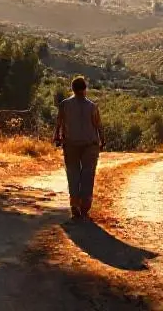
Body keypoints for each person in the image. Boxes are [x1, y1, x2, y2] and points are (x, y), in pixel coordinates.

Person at [53, 75, 104, 219]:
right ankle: (85, 204)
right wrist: (102, 140)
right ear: (85, 89)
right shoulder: (92, 106)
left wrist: (57, 136)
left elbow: (59, 123)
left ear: (72, 89)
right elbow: (98, 125)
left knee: (73, 173)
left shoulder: (64, 104)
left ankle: (74, 203)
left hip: (71, 144)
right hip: (90, 145)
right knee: (88, 173)